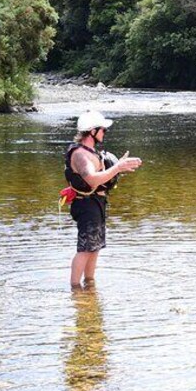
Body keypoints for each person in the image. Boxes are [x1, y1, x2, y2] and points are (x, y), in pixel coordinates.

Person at [64, 110, 142, 287]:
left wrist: (117, 166)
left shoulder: (90, 151)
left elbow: (102, 175)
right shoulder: (81, 155)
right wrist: (117, 168)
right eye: (103, 130)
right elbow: (91, 179)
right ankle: (75, 290)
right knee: (85, 248)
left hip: (96, 203)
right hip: (86, 205)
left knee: (95, 247)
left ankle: (90, 285)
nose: (104, 133)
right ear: (92, 131)